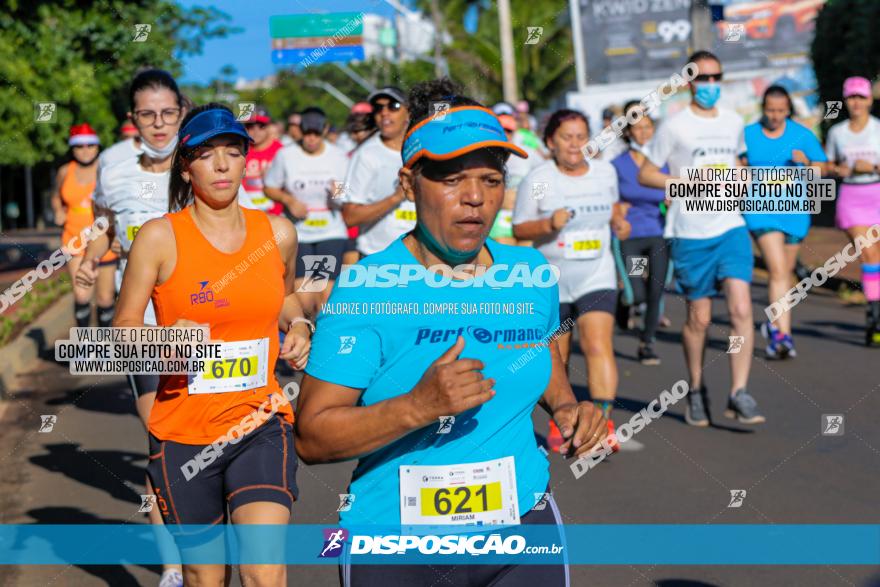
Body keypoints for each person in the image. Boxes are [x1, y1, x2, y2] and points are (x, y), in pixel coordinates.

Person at [296, 78, 606, 587]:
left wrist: (568, 407)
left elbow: (540, 355)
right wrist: (416, 408)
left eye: (490, 180)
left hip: (520, 530)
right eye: (452, 179)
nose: (474, 200)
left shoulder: (530, 274)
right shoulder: (366, 287)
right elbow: (311, 435)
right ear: (409, 181)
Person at [116, 103, 311, 586]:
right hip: (183, 432)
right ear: (186, 165)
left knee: (263, 570)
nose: (222, 165)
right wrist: (166, 343)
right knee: (205, 576)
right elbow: (123, 328)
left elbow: (285, 295)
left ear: (248, 159)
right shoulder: (159, 238)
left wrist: (301, 325)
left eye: (233, 151)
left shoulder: (278, 232)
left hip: (260, 421)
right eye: (206, 155)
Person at [75, 69, 186, 587]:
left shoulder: (202, 155)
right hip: (139, 322)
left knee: (214, 440)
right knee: (162, 440)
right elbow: (104, 226)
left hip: (204, 316)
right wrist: (90, 258)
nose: (159, 124)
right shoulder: (114, 164)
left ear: (182, 111)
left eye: (167, 112)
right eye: (147, 114)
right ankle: (172, 567)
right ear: (132, 118)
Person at [638, 50, 764, 426]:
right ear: (689, 82)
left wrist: (742, 176)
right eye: (702, 78)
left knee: (742, 309)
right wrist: (683, 182)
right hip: (690, 231)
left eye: (716, 78)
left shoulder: (733, 121)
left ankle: (738, 392)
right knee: (700, 318)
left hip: (730, 226)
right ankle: (695, 387)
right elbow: (647, 173)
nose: (710, 85)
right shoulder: (674, 126)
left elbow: (740, 163)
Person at [513, 108, 631, 453]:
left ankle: (603, 421)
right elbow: (520, 227)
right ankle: (559, 419)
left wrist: (619, 225)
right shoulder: (538, 179)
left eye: (581, 136)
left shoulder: (605, 172)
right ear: (551, 141)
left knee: (597, 345)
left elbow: (613, 210)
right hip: (553, 278)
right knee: (559, 360)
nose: (575, 144)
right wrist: (548, 225)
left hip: (597, 272)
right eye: (567, 137)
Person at [743, 85, 828, 358]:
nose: (775, 116)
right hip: (760, 210)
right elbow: (736, 165)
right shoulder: (748, 134)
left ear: (788, 110)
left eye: (781, 111)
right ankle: (783, 336)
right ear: (762, 108)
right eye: (770, 110)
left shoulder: (801, 134)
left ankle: (776, 326)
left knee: (785, 276)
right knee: (778, 270)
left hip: (793, 210)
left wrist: (808, 164)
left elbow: (822, 167)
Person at [263, 107, 350, 317]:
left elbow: (348, 193)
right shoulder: (286, 155)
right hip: (299, 232)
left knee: (325, 296)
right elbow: (269, 187)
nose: (311, 138)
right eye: (306, 133)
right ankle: (307, 334)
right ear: (300, 131)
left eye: (316, 133)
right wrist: (289, 200)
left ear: (325, 130)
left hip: (331, 230)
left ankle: (322, 341)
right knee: (304, 296)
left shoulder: (339, 156)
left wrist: (336, 191)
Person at [611, 102, 670, 365]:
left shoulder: (664, 162)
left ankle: (648, 343)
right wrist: (616, 212)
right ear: (628, 132)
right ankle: (625, 304)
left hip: (659, 234)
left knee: (656, 291)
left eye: (648, 127)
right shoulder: (617, 165)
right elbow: (610, 199)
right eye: (638, 128)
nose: (644, 132)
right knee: (638, 292)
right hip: (632, 237)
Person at [825, 76, 880, 346]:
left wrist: (870, 167)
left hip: (877, 193)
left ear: (870, 100)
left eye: (861, 97)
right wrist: (840, 169)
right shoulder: (837, 133)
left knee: (877, 257)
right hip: (852, 198)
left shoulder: (878, 129)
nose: (856, 102)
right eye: (851, 97)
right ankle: (875, 314)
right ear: (846, 101)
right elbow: (828, 166)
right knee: (868, 252)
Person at [50, 123, 117, 329]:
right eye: (80, 146)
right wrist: (58, 211)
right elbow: (55, 197)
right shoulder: (64, 171)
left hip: (103, 239)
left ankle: (105, 348)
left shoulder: (107, 171)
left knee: (105, 299)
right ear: (73, 148)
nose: (85, 150)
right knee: (81, 294)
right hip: (74, 238)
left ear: (97, 147)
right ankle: (85, 347)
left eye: (90, 145)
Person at [342, 86, 415, 258]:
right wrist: (395, 198)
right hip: (377, 256)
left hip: (420, 257)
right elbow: (349, 217)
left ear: (409, 113)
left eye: (393, 106)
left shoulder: (423, 149)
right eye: (378, 108)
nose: (384, 113)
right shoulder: (366, 154)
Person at [489, 114, 540, 245]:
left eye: (509, 130)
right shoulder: (487, 153)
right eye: (502, 130)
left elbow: (543, 176)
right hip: (501, 217)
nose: (505, 134)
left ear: (515, 132)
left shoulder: (527, 152)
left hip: (525, 216)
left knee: (526, 257)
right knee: (503, 258)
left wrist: (534, 199)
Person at [241, 107, 284, 214]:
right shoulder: (238, 150)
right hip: (245, 214)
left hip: (276, 216)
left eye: (261, 126)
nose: (256, 131)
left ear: (269, 127)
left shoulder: (281, 151)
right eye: (251, 126)